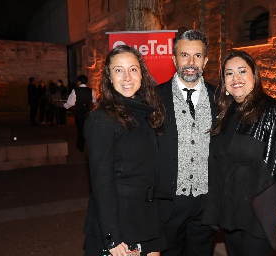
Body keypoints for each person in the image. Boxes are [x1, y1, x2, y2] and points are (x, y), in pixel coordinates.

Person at [202, 50, 276, 255]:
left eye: (242, 71)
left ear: (254, 76)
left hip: (259, 208)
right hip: (231, 207)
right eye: (229, 73)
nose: (236, 78)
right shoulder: (226, 112)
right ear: (224, 81)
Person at [83, 45, 167, 256]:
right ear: (109, 78)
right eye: (119, 70)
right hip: (120, 220)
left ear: (142, 74)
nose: (127, 77)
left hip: (148, 216)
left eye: (133, 69)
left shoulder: (145, 112)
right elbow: (102, 181)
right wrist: (112, 236)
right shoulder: (101, 119)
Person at [157, 30, 217, 256]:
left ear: (206, 60)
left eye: (197, 56)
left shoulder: (220, 98)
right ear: (174, 59)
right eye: (184, 55)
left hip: (207, 203)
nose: (191, 63)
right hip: (169, 202)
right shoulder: (155, 98)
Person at [63, 75, 96, 152]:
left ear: (79, 81)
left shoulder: (75, 90)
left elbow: (70, 103)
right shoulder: (92, 91)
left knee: (80, 130)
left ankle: (80, 146)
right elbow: (94, 101)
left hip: (79, 113)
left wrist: (64, 106)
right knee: (88, 130)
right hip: (88, 113)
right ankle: (89, 146)